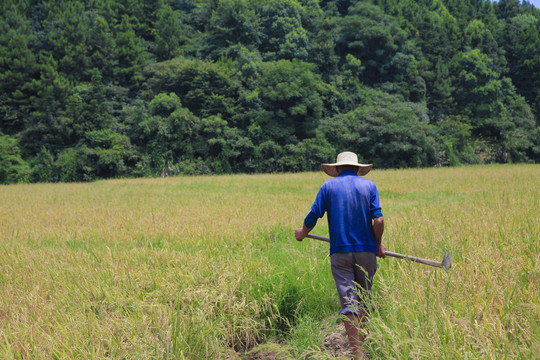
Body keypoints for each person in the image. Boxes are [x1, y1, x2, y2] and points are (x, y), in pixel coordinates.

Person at [294, 151, 386, 360]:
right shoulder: (369, 186)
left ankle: (358, 355)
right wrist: (378, 244)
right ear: (357, 168)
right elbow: (378, 221)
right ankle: (365, 346)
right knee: (364, 299)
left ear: (336, 169)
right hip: (366, 252)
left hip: (340, 253)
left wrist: (302, 233)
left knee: (349, 304)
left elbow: (313, 215)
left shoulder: (328, 187)